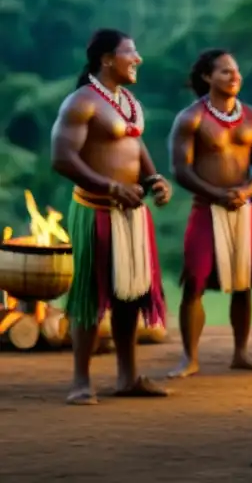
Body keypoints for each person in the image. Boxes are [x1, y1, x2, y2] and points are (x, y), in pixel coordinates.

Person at [51, 29, 173, 405]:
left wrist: (153, 178)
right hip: (95, 209)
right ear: (106, 59)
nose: (137, 59)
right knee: (89, 294)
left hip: (132, 212)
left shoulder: (128, 102)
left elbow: (134, 142)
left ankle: (127, 376)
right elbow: (62, 158)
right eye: (130, 53)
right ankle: (81, 381)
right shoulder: (81, 102)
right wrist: (109, 186)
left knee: (131, 294)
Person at [168, 49, 252, 378]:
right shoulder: (191, 118)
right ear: (207, 78)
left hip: (243, 207)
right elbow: (180, 170)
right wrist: (217, 194)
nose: (235, 77)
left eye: (236, 71)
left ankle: (240, 353)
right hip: (206, 207)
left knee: (243, 282)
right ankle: (190, 357)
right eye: (225, 72)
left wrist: (246, 192)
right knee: (195, 280)